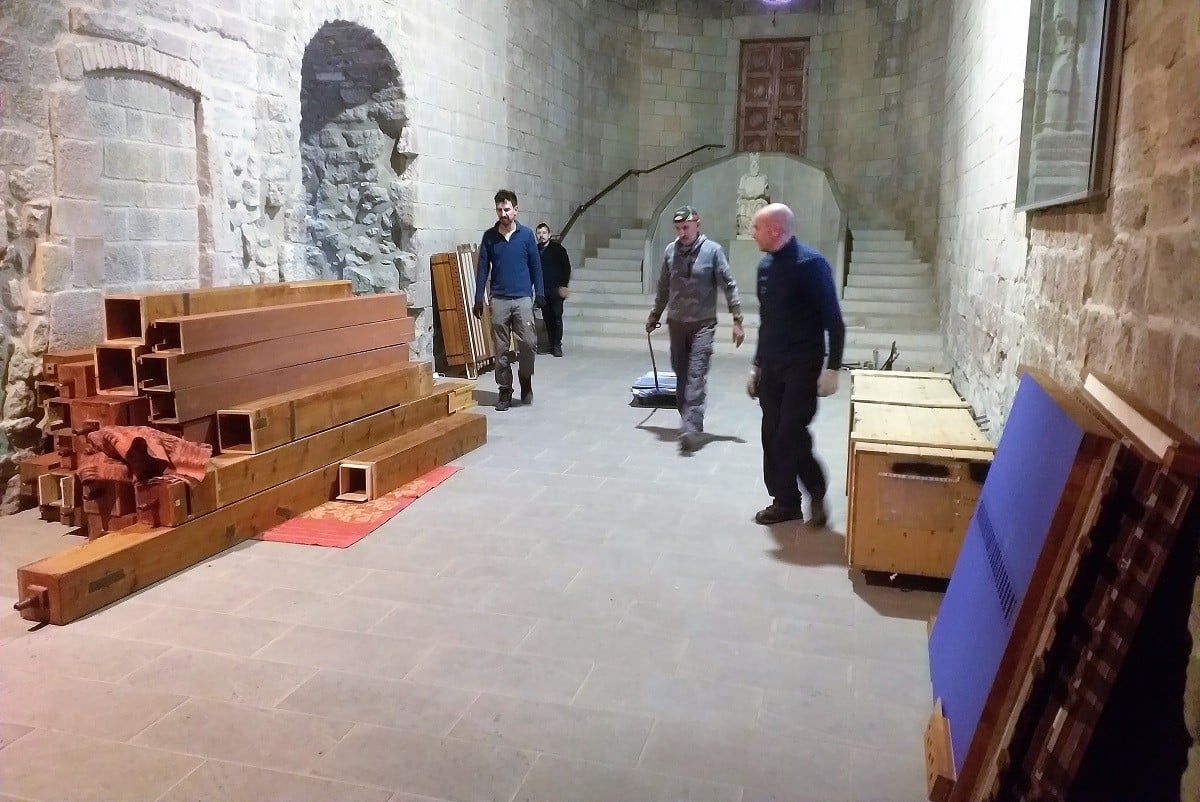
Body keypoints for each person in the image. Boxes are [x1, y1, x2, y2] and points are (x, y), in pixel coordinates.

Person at [746, 203, 845, 526]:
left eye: (757, 227)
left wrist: (832, 368)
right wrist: (756, 366)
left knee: (790, 431)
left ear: (775, 229)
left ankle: (815, 491)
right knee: (771, 432)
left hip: (804, 364)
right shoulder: (764, 267)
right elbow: (767, 322)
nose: (752, 233)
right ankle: (785, 501)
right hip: (772, 365)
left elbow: (834, 320)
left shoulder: (811, 264)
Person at [645, 205, 744, 453]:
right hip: (677, 323)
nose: (682, 233)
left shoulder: (713, 251)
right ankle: (687, 418)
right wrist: (655, 314)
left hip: (703, 325)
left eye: (686, 227)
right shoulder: (670, 252)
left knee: (696, 374)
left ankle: (691, 426)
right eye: (678, 228)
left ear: (697, 224)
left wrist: (737, 319)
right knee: (681, 374)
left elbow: (729, 285)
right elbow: (663, 288)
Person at [473, 189, 545, 411]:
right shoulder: (489, 237)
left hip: (523, 298)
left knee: (529, 344)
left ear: (516, 210)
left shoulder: (526, 235)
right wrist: (478, 298)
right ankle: (504, 390)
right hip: (500, 300)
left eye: (506, 209)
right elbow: (483, 268)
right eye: (499, 209)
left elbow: (535, 265)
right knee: (501, 348)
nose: (503, 213)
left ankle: (525, 378)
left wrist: (539, 293)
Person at [535, 222, 572, 357]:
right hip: (543, 290)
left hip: (556, 289)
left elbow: (566, 267)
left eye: (544, 233)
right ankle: (551, 343)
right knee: (547, 318)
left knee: (557, 316)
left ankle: (557, 345)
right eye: (539, 233)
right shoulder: (535, 250)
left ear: (549, 235)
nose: (541, 236)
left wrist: (564, 285)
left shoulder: (558, 249)